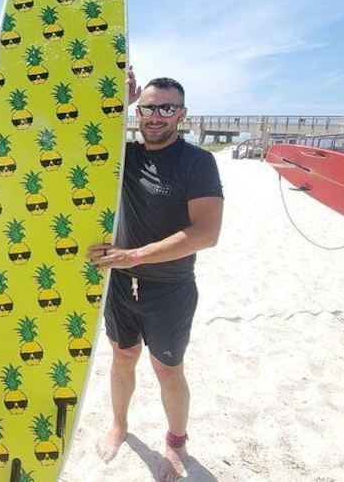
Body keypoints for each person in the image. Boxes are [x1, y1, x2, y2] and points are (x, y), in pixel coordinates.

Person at [87, 68, 224, 482]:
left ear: (182, 113)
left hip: (171, 287)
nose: (156, 115)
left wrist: (135, 256)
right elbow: (82, 137)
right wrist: (120, 103)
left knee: (168, 369)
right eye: (148, 107)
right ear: (138, 111)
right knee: (122, 356)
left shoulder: (197, 162)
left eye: (167, 107)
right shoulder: (123, 154)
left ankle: (176, 440)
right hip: (120, 285)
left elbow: (207, 232)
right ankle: (120, 425)